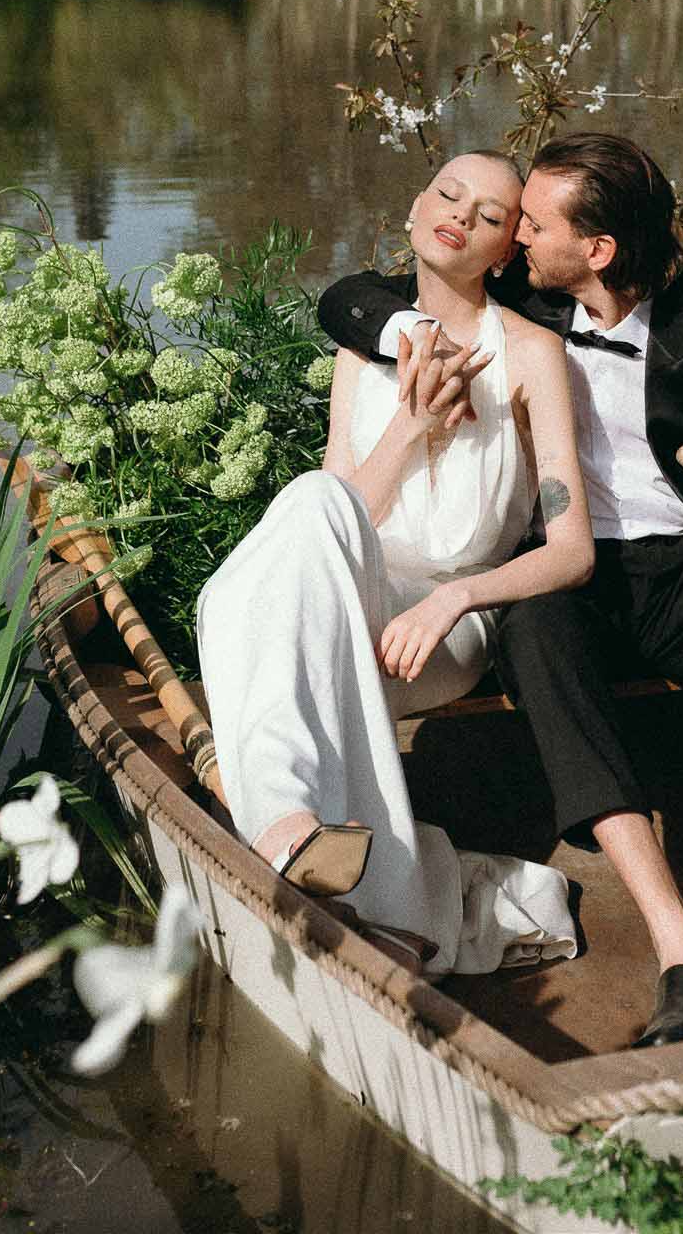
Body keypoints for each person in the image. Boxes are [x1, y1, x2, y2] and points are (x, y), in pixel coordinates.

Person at [318, 131, 683, 1046]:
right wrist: (405, 334)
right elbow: (348, 298)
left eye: (534, 226)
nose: (514, 237)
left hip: (677, 558)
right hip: (553, 563)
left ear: (599, 249)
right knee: (536, 633)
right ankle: (678, 936)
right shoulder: (517, 294)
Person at [198, 149, 595, 978]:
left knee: (244, 614)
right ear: (414, 211)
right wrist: (410, 428)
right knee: (313, 497)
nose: (460, 215)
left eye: (490, 216)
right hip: (357, 589)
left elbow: (572, 551)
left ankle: (296, 833)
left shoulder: (531, 355)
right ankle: (300, 832)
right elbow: (341, 513)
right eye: (447, 195)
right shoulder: (365, 348)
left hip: (445, 621)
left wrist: (452, 603)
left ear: (505, 251)